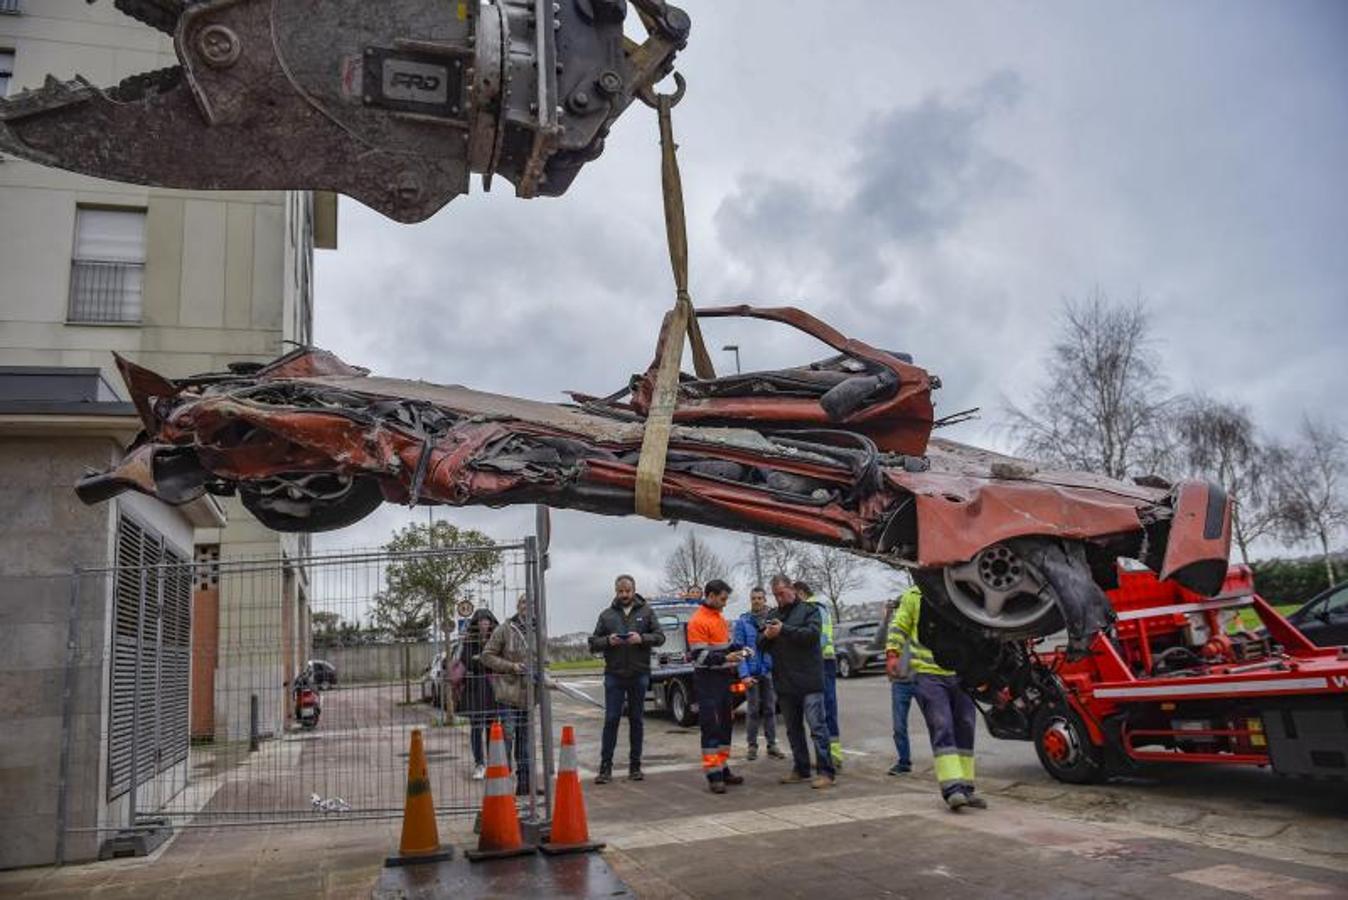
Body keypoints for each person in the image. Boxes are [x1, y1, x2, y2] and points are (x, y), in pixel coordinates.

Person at [887, 585, 985, 811]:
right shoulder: (914, 596)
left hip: (961, 673)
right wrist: (893, 653)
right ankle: (952, 789)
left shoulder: (961, 591)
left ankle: (966, 788)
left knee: (966, 726)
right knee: (943, 727)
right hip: (928, 674)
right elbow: (899, 626)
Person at [587, 574, 666, 784]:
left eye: (627, 591)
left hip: (639, 673)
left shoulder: (647, 612)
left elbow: (660, 636)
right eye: (620, 591)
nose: (624, 595)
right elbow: (593, 642)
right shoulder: (606, 615)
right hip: (614, 674)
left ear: (633, 590)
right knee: (611, 719)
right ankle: (605, 768)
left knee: (636, 720)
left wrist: (642, 638)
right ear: (616, 591)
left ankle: (635, 766)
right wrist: (607, 641)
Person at [762, 574, 834, 789]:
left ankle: (826, 772)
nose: (779, 599)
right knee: (793, 730)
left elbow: (812, 635)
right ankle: (801, 768)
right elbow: (760, 643)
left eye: (782, 594)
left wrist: (784, 630)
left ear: (792, 589)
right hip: (785, 682)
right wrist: (767, 636)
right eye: (775, 595)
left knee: (817, 727)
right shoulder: (773, 614)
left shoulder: (809, 610)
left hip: (809, 680)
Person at [686, 578, 748, 794]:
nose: (724, 603)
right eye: (722, 599)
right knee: (711, 726)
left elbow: (721, 647)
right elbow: (699, 657)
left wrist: (736, 650)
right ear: (710, 596)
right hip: (707, 681)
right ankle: (713, 774)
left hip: (722, 679)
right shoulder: (698, 621)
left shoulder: (719, 619)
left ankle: (723, 767)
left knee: (725, 725)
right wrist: (726, 656)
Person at [481, 593, 540, 796]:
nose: (527, 606)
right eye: (524, 602)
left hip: (528, 695)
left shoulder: (538, 630)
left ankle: (524, 785)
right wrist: (511, 666)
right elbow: (486, 656)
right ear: (518, 606)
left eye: (531, 603)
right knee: (507, 735)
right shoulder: (505, 629)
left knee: (525, 741)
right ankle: (502, 785)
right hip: (507, 693)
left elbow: (544, 660)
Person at [795, 581, 843, 771]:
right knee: (826, 707)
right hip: (826, 660)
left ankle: (832, 756)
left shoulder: (813, 608)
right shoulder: (820, 606)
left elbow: (820, 638)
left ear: (801, 592)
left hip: (821, 661)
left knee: (824, 708)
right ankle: (833, 754)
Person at [733, 586, 783, 761]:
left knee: (770, 709)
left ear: (765, 600)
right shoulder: (743, 622)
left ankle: (772, 745)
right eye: (754, 598)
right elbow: (739, 651)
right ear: (750, 600)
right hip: (752, 673)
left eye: (760, 598)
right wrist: (744, 674)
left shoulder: (773, 621)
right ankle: (752, 746)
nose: (757, 601)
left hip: (768, 672)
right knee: (753, 710)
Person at [456, 607, 500, 780]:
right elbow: (466, 661)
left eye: (487, 621)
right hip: (474, 690)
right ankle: (479, 764)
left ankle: (491, 762)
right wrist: (485, 660)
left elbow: (496, 661)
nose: (484, 624)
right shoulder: (469, 640)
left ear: (491, 623)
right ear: (476, 623)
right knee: (476, 728)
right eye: (481, 621)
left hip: (491, 689)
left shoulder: (496, 638)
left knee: (492, 728)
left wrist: (481, 659)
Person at [878, 597, 915, 776]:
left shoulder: (916, 621)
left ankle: (943, 758)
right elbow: (877, 642)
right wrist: (886, 618)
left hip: (921, 678)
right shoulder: (893, 626)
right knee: (899, 726)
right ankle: (904, 762)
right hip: (900, 682)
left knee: (936, 723)